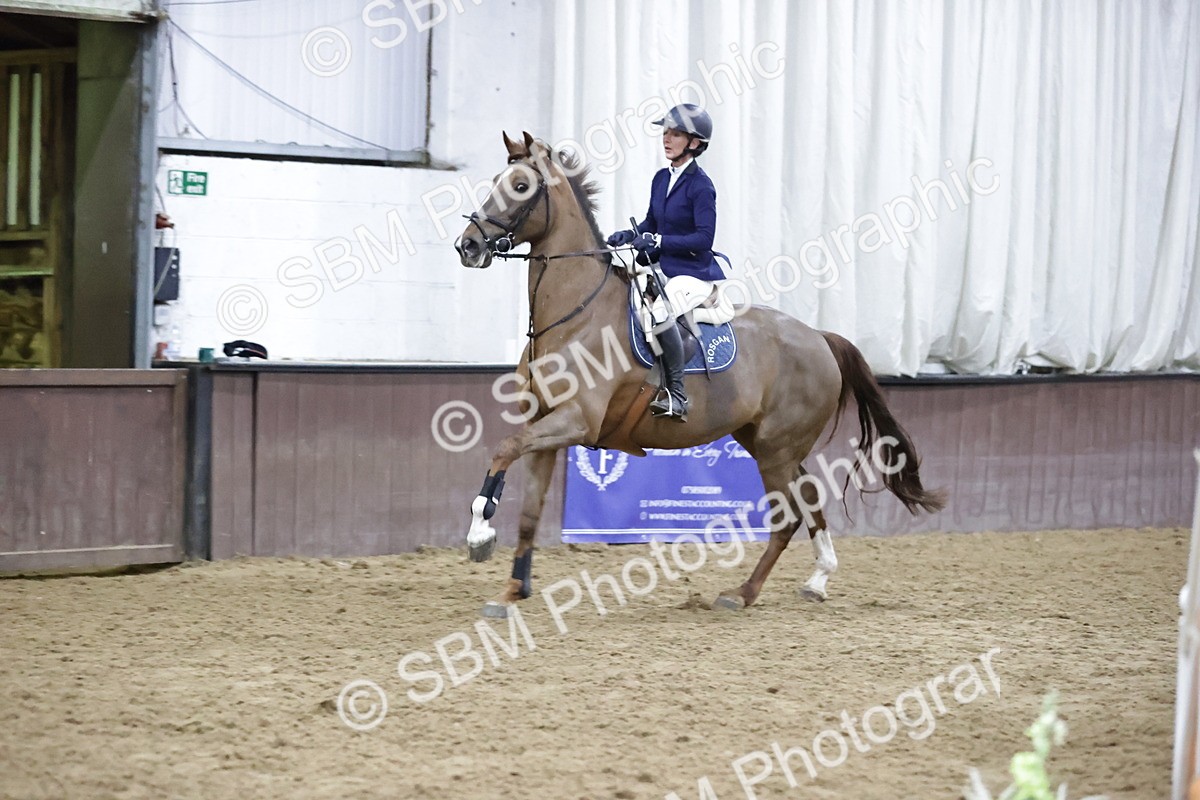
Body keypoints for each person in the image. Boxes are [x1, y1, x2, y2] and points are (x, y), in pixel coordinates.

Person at [607, 103, 722, 422]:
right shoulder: (661, 178)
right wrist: (630, 234)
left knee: (659, 311)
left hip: (692, 272)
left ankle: (677, 395)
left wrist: (659, 242)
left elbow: (704, 239)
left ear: (695, 143)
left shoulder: (701, 186)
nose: (666, 139)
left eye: (675, 134)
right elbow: (650, 222)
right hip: (663, 268)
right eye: (665, 133)